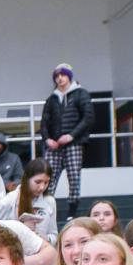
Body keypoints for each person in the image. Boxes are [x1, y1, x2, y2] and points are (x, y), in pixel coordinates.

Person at [42, 63, 94, 217]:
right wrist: (47, 140)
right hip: (54, 145)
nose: (59, 78)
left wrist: (72, 135)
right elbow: (44, 122)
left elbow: (88, 117)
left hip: (74, 143)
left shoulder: (81, 94)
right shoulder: (51, 99)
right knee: (48, 177)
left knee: (73, 177)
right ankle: (46, 209)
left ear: (69, 77)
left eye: (63, 75)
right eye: (57, 76)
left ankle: (72, 212)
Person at [0, 159, 57, 241]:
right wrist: (20, 229)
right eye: (38, 182)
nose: (42, 187)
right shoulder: (9, 200)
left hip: (42, 250)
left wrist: (47, 239)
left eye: (46, 182)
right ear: (27, 179)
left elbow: (54, 234)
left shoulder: (50, 201)